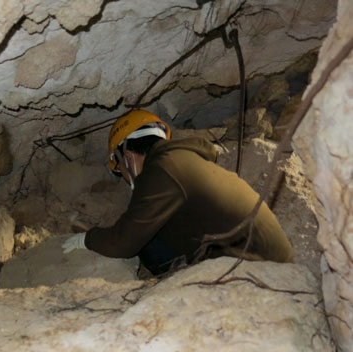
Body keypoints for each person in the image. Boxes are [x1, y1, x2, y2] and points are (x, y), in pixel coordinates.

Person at [62, 109, 293, 275]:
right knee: (154, 234)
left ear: (128, 156)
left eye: (120, 168)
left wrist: (88, 239)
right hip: (269, 259)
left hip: (261, 268)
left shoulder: (163, 168)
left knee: (147, 245)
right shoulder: (184, 161)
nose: (124, 175)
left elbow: (125, 241)